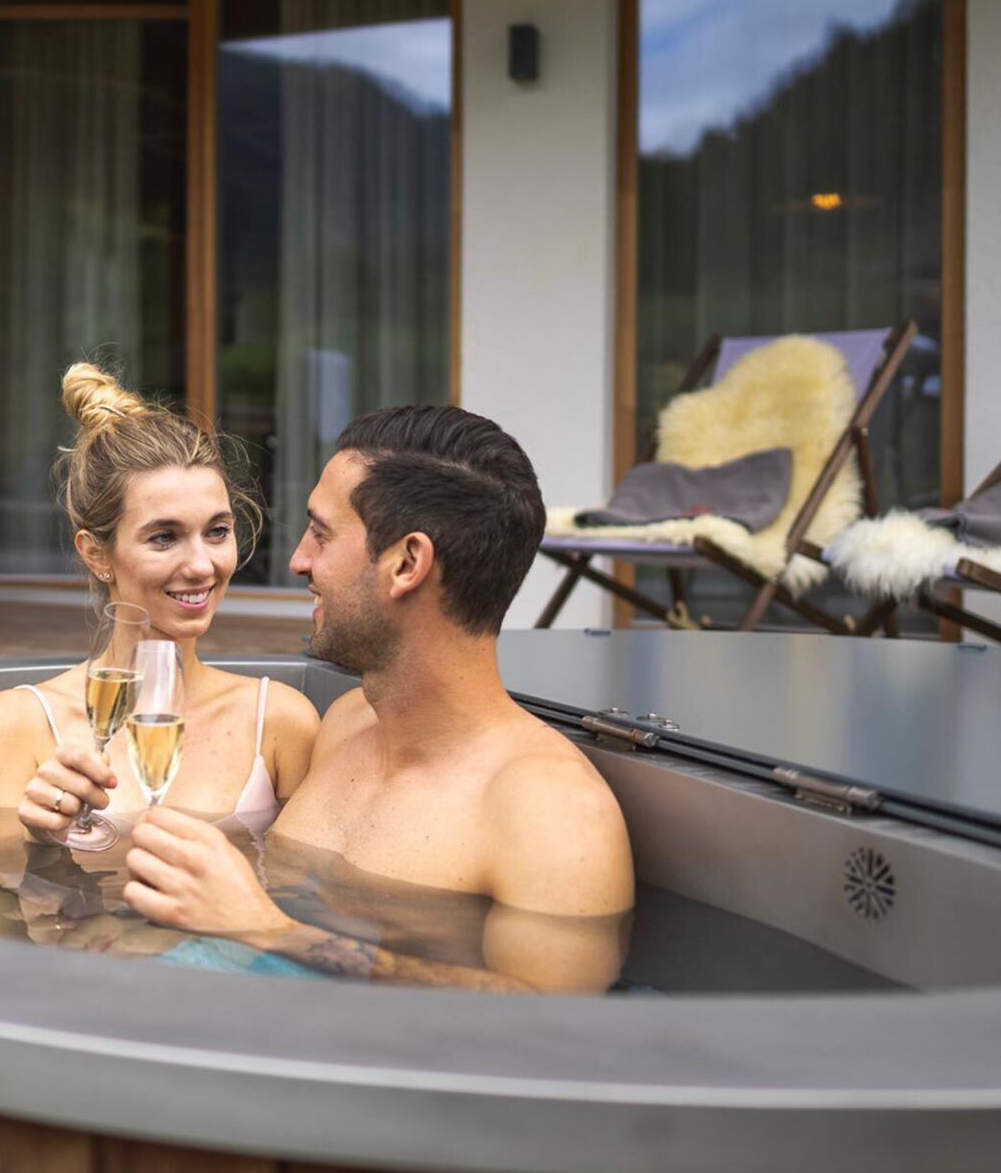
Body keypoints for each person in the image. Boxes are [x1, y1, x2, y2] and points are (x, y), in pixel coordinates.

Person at [117, 405, 635, 993]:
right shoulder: (343, 726)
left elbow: (555, 1028)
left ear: (407, 563)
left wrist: (269, 931)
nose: (298, 562)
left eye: (322, 533)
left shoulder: (548, 810)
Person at [0, 363, 320, 949]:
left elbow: (309, 901)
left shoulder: (282, 722)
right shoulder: (9, 727)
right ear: (96, 554)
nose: (202, 565)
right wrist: (37, 847)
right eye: (164, 537)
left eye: (217, 531)